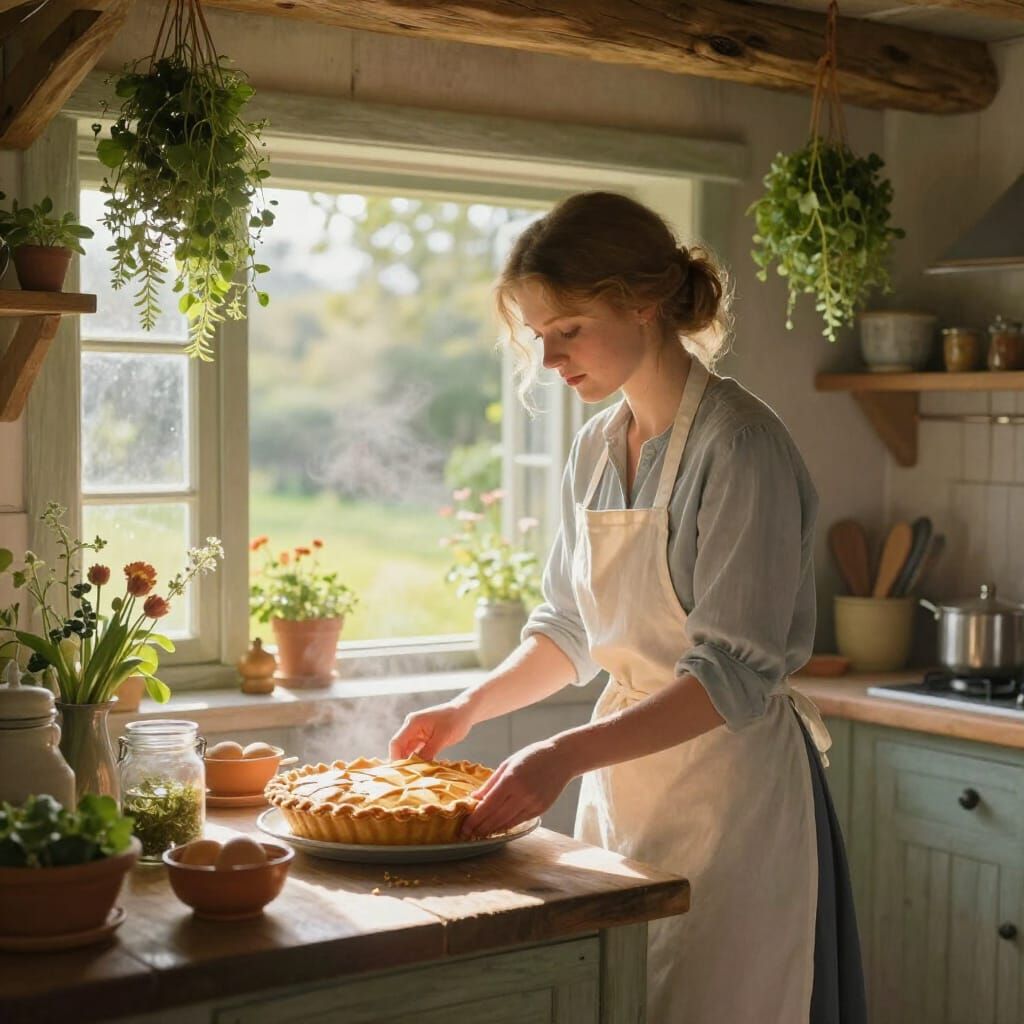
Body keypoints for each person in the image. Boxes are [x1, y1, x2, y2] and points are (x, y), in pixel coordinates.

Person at [389, 191, 866, 1023]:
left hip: (735, 803)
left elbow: (729, 678)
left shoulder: (740, 447)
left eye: (567, 331)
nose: (549, 361)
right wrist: (467, 708)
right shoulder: (596, 447)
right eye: (540, 337)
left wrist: (562, 754)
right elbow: (571, 629)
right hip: (627, 794)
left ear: (642, 302)